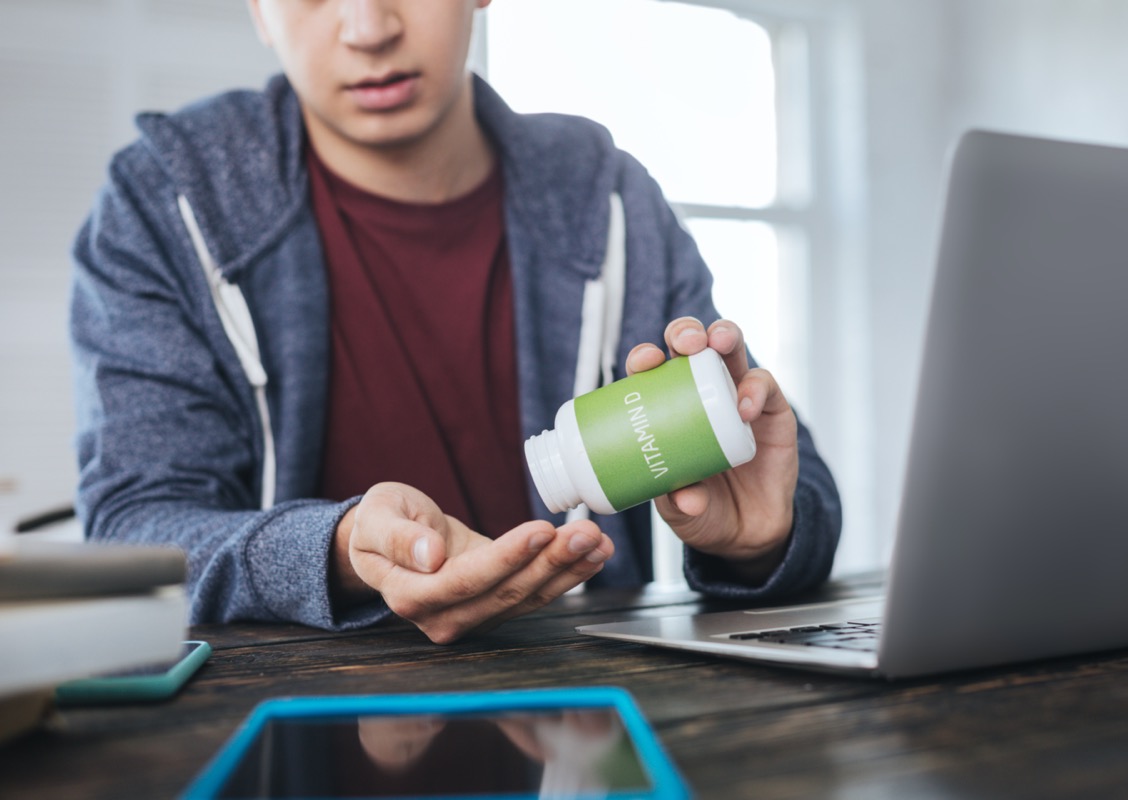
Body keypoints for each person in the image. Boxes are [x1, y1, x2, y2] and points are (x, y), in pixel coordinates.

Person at [69, 0, 841, 643]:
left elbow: (787, 483)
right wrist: (333, 552)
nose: (368, 26)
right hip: (286, 731)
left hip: (586, 719)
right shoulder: (167, 204)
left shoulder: (604, 198)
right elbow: (135, 537)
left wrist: (761, 543)